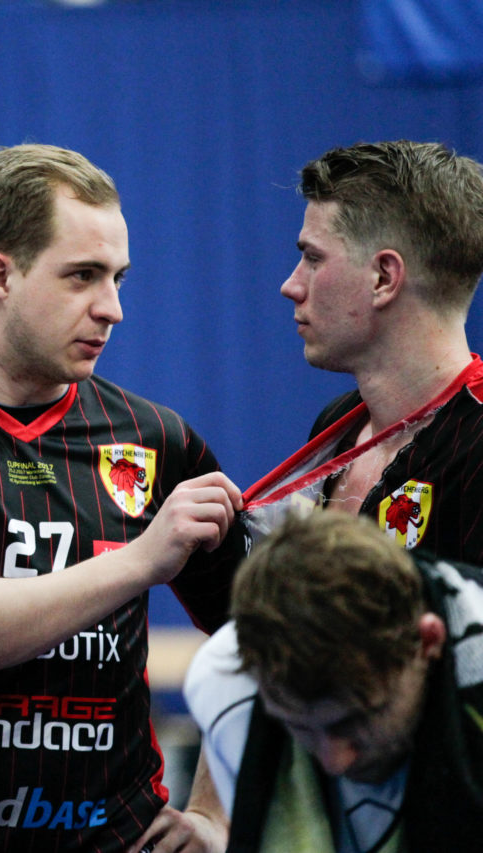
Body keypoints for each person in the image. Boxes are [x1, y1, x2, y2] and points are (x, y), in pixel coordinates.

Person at [0, 144, 244, 853]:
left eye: (118, 277)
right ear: (0, 274)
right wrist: (139, 561)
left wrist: (215, 810)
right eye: (83, 277)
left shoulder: (156, 440)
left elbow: (269, 632)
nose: (113, 308)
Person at [186, 140, 483, 848]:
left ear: (384, 277)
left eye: (312, 258)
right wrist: (210, 813)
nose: (291, 284)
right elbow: (275, 650)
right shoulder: (336, 430)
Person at [187, 511, 483, 850]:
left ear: (427, 642)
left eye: (356, 719)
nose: (334, 760)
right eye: (299, 726)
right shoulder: (226, 687)